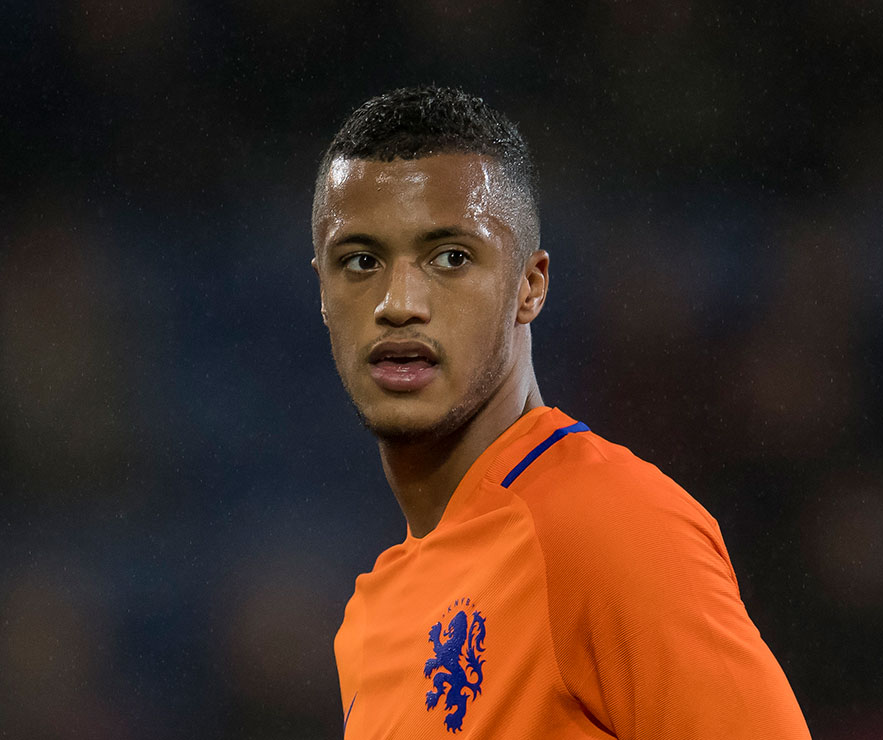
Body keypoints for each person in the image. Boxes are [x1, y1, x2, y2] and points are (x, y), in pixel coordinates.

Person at [311, 86, 811, 738]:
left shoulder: (610, 528)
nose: (398, 302)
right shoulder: (369, 618)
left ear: (530, 286)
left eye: (451, 257)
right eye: (361, 261)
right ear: (322, 292)